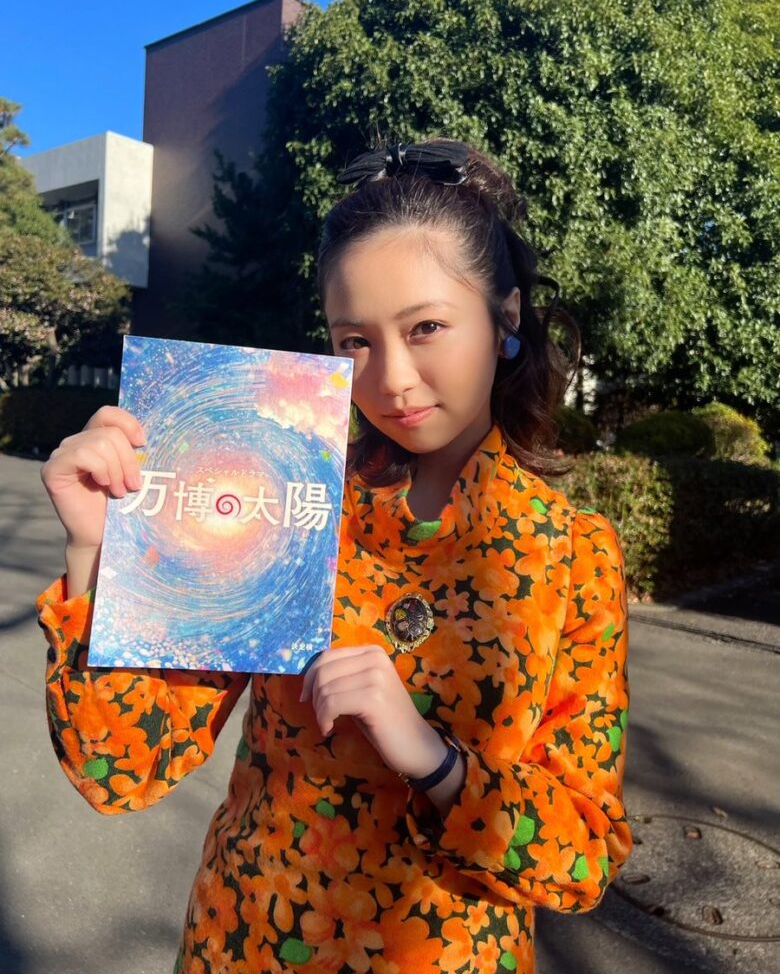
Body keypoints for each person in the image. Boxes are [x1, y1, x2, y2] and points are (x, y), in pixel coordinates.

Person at [37, 137, 632, 974]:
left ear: (505, 317)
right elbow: (119, 768)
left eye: (426, 328)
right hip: (247, 943)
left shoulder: (573, 554)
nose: (392, 379)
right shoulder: (285, 495)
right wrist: (96, 551)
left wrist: (433, 760)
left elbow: (585, 855)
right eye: (356, 340)